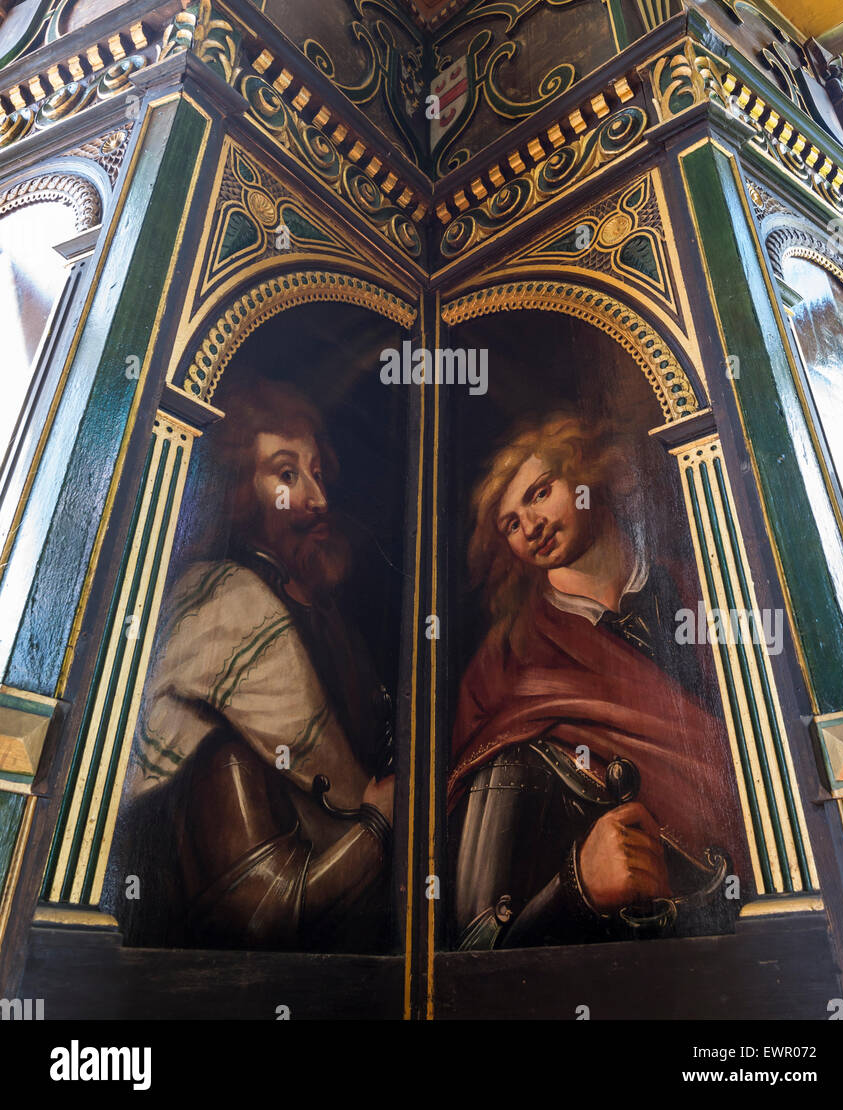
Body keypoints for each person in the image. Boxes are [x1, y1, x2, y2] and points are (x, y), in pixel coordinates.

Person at [448, 411, 747, 950]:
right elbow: (473, 937)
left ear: (583, 477)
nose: (531, 526)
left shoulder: (702, 589)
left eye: (539, 494)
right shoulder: (502, 667)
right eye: (511, 524)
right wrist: (577, 886)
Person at [121, 373, 394, 952]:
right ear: (238, 489)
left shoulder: (317, 613)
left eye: (317, 473)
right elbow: (259, 907)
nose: (318, 499)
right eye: (287, 473)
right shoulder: (223, 604)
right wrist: (375, 825)